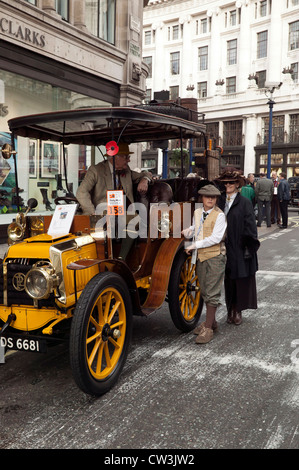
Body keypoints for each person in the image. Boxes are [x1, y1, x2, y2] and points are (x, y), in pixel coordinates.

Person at [76, 142, 152, 259]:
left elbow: (146, 174)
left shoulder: (127, 171)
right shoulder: (96, 170)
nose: (128, 160)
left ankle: (121, 260)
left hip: (120, 213)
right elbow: (81, 192)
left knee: (136, 219)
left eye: (128, 157)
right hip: (100, 212)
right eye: (126, 157)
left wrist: (145, 180)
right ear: (114, 157)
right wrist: (93, 213)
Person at [182, 184, 227, 344]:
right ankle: (212, 322)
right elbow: (199, 227)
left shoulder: (220, 215)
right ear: (202, 198)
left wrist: (195, 245)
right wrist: (190, 230)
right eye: (207, 197)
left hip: (215, 256)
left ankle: (208, 328)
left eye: (213, 197)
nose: (210, 199)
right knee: (205, 290)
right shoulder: (198, 212)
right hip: (201, 257)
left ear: (216, 199)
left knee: (212, 292)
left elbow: (215, 238)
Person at [215, 168, 260, 326]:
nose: (228, 185)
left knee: (239, 279)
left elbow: (251, 227)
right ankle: (230, 309)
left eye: (231, 182)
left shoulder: (245, 202)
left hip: (240, 246)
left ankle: (237, 310)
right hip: (223, 246)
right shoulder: (219, 201)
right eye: (225, 182)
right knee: (228, 280)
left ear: (237, 184)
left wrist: (248, 247)